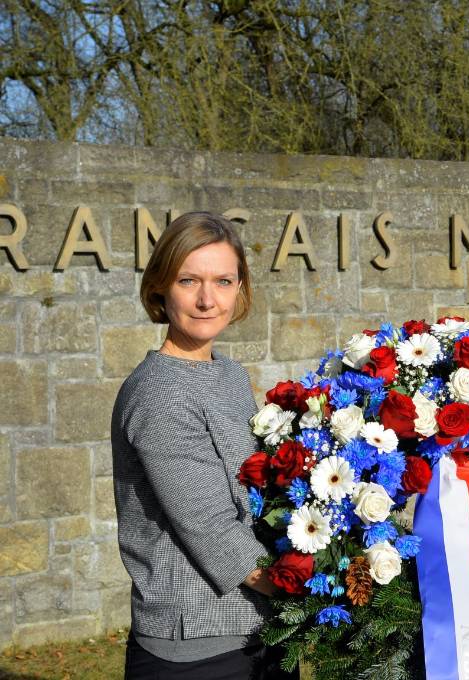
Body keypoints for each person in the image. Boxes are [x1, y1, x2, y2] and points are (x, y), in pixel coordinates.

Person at [111, 212, 293, 679]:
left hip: (262, 629)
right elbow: (212, 530)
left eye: (223, 281)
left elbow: (252, 494)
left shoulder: (228, 374)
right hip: (198, 648)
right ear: (159, 289)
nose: (208, 299)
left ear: (240, 288)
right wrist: (312, 586)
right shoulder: (159, 391)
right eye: (188, 280)